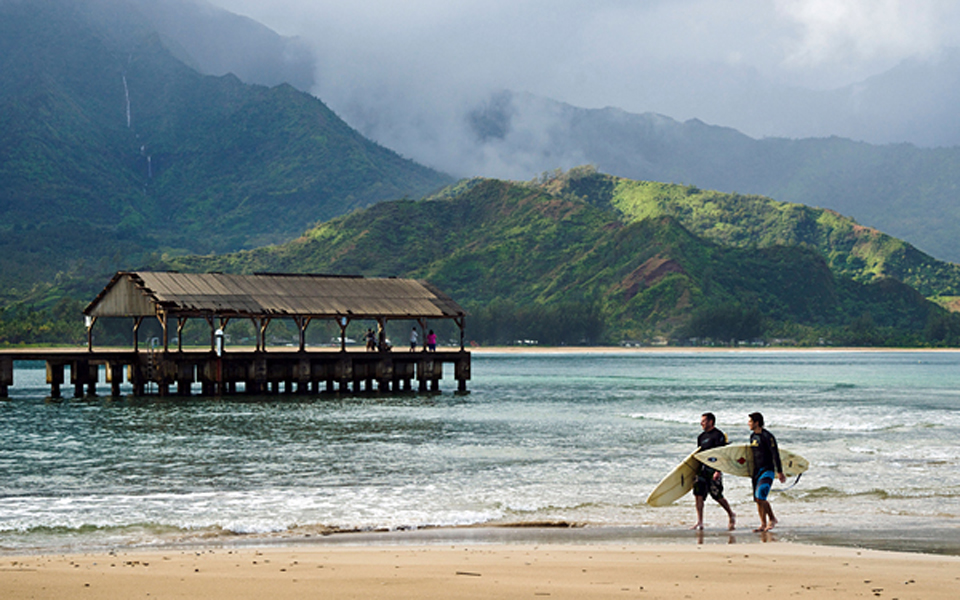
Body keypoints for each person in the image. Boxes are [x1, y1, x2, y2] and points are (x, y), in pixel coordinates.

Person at [692, 412, 736, 530]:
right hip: (702, 469)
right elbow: (700, 455)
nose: (701, 423)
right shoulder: (701, 437)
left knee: (716, 495)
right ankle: (700, 522)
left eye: (703, 421)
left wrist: (718, 471)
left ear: (710, 422)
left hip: (713, 469)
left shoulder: (718, 435)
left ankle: (731, 514)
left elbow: (721, 455)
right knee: (698, 494)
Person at [748, 411, 786, 532]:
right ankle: (763, 524)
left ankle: (772, 519)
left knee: (761, 496)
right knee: (757, 499)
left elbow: (775, 454)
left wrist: (779, 471)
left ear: (756, 422)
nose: (748, 423)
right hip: (756, 471)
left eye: (750, 421)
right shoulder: (752, 437)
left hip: (767, 470)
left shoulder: (767, 436)